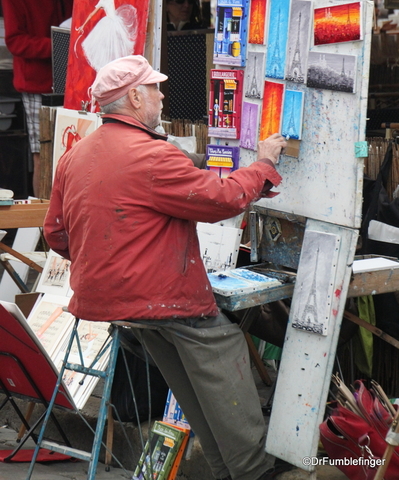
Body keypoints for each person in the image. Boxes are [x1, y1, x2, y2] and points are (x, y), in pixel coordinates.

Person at [44, 55, 287, 480]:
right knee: (220, 353)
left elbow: (56, 234)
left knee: (194, 380)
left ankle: (226, 468)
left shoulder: (76, 155)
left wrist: (107, 261)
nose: (161, 96)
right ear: (135, 97)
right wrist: (263, 164)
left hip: (112, 301)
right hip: (160, 297)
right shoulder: (151, 156)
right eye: (155, 89)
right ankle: (252, 470)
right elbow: (222, 199)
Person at [1, 0, 74, 197]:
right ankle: (44, 224)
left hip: (72, 79)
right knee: (42, 153)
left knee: (75, 148)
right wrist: (58, 45)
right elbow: (15, 41)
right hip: (37, 84)